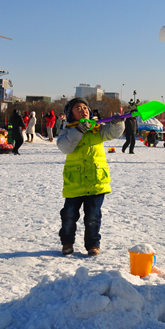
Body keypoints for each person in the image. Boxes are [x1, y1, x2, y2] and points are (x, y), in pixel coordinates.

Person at [56, 97, 124, 256]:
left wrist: (117, 123)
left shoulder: (97, 128)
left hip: (95, 180)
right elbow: (64, 147)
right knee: (69, 216)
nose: (83, 111)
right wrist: (79, 130)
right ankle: (67, 242)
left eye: (85, 108)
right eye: (78, 108)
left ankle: (93, 245)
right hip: (75, 182)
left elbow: (112, 133)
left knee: (93, 217)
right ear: (71, 113)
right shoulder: (67, 130)